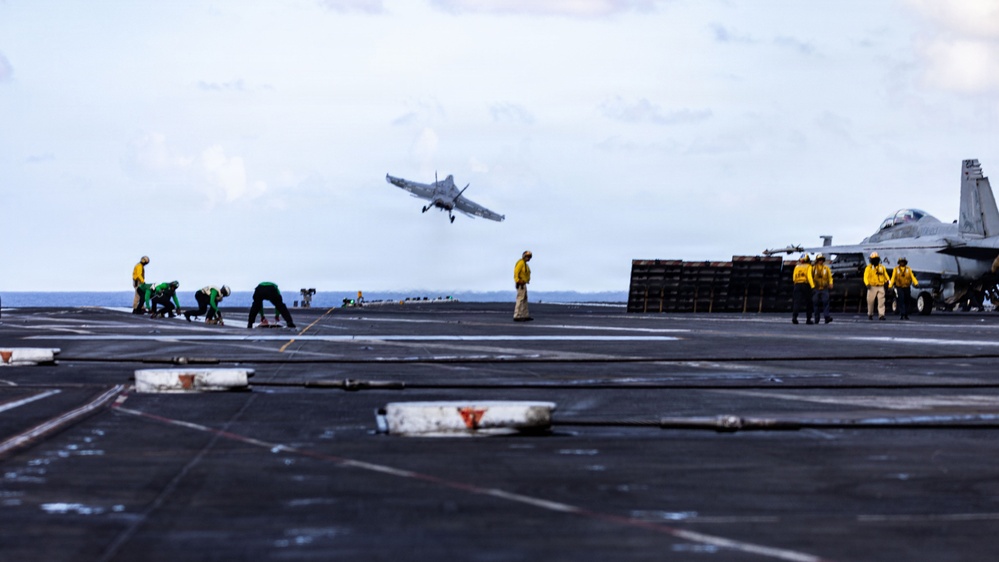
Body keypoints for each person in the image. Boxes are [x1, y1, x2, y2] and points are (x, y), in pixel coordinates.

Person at [864, 252, 890, 321]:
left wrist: (888, 282)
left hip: (880, 286)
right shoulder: (868, 268)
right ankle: (870, 314)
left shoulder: (882, 267)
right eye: (873, 259)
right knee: (870, 301)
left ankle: (881, 315)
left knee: (881, 301)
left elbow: (886, 276)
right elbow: (865, 277)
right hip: (871, 286)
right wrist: (867, 284)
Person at [809, 253, 834, 324]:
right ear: (817, 260)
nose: (821, 261)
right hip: (816, 289)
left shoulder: (826, 268)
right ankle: (816, 319)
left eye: (822, 259)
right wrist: (812, 286)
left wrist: (831, 283)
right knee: (815, 304)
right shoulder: (813, 269)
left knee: (826, 303)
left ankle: (827, 317)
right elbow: (810, 277)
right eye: (819, 260)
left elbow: (830, 277)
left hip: (824, 288)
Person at [791, 254, 813, 324]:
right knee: (809, 302)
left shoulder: (797, 266)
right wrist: (813, 286)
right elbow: (809, 277)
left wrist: (796, 284)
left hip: (797, 285)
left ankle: (794, 317)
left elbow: (794, 277)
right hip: (805, 285)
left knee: (797, 302)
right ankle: (808, 319)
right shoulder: (809, 266)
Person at [514, 250, 533, 322]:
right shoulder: (520, 263)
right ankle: (517, 315)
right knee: (520, 299)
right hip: (520, 283)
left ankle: (525, 314)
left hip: (524, 283)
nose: (529, 259)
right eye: (528, 257)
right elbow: (516, 272)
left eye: (529, 257)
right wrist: (517, 280)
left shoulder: (525, 264)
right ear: (524, 256)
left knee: (524, 299)